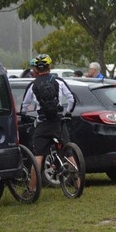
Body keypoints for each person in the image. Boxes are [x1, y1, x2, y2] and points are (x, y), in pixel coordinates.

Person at [19, 54, 76, 192]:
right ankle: (78, 184)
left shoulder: (33, 85)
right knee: (69, 153)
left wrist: (24, 115)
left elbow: (24, 106)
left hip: (43, 123)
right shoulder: (59, 82)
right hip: (58, 122)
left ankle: (32, 189)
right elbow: (72, 99)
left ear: (36, 70)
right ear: (49, 67)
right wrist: (67, 112)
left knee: (38, 156)